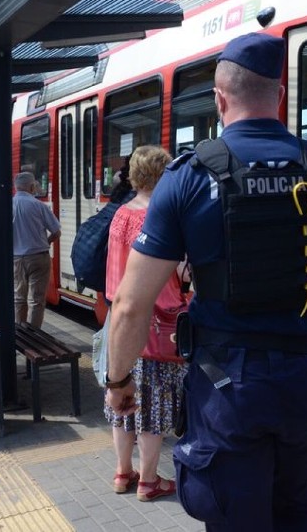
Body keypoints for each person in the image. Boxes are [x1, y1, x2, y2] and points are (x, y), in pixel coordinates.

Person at [106, 32, 307, 531]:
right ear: (279, 96)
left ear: (219, 98)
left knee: (235, 515)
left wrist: (120, 380)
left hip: (224, 382)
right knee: (298, 506)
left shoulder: (188, 176)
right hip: (306, 378)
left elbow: (129, 303)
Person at [103, 145, 187, 502]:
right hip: (160, 328)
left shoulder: (120, 213)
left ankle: (123, 472)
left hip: (123, 323)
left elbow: (113, 278)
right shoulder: (167, 215)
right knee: (154, 406)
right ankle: (149, 480)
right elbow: (180, 275)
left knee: (123, 403)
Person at [12, 171, 61, 329]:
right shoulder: (39, 206)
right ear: (32, 187)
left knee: (19, 297)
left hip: (17, 258)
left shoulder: (8, 205)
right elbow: (56, 232)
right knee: (37, 299)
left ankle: (19, 330)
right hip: (39, 257)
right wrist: (45, 241)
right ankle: (34, 333)